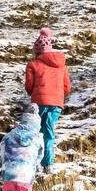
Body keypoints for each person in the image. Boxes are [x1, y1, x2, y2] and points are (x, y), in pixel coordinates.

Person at [24, 27, 72, 170]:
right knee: (49, 131)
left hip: (39, 103)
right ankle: (48, 163)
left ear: (36, 50)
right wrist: (58, 95)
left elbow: (29, 86)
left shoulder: (33, 64)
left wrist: (35, 94)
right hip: (56, 103)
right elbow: (67, 87)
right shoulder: (61, 65)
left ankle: (36, 162)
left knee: (36, 132)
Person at [0, 105, 44, 191]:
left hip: (9, 173)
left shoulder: (10, 134)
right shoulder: (37, 137)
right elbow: (39, 155)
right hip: (25, 174)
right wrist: (37, 167)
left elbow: (2, 150)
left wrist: (5, 164)